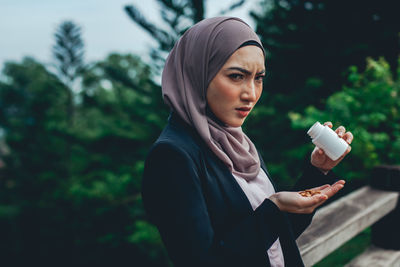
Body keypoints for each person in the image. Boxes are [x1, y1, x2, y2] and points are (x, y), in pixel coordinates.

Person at [142, 17, 353, 267]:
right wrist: (273, 208)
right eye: (236, 76)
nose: (251, 94)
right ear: (197, 73)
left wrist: (318, 171)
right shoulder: (172, 156)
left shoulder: (237, 141)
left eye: (258, 78)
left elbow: (275, 239)